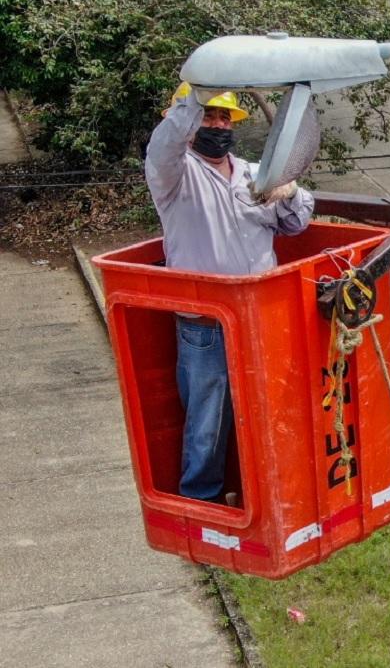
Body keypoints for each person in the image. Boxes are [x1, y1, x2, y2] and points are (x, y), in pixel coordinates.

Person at [145, 83, 315, 503]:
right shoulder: (174, 175)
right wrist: (198, 92)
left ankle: (271, 495)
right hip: (207, 325)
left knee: (270, 407)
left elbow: (297, 223)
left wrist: (291, 191)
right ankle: (201, 502)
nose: (218, 125)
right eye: (209, 116)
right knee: (208, 420)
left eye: (225, 118)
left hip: (261, 318)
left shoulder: (254, 174)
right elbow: (166, 142)